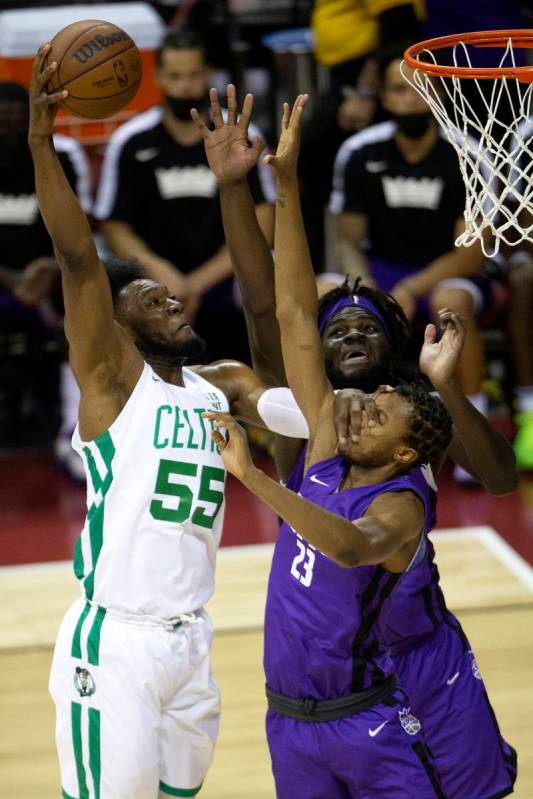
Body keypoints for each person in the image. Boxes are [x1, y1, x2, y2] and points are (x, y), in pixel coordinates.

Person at [195, 87, 517, 799]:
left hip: (417, 656)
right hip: (328, 674)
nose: (346, 335)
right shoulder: (310, 419)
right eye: (333, 326)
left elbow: (497, 479)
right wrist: (245, 187)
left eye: (364, 327)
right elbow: (269, 304)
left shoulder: (416, 416)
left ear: (394, 355)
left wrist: (447, 389)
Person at [28, 46, 287, 799]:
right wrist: (45, 144)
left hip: (191, 637)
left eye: (169, 296)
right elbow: (79, 258)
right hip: (116, 642)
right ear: (118, 325)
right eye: (147, 298)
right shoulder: (113, 384)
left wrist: (244, 190)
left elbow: (266, 310)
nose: (169, 298)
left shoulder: (223, 386)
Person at [330, 46, 498, 482]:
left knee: (451, 303)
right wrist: (366, 290)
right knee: (326, 296)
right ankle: (331, 423)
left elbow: (473, 250)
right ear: (384, 98)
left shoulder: (466, 153)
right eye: (397, 90)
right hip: (380, 268)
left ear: (436, 95)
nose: (408, 99)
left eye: (417, 90)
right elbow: (347, 240)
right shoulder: (359, 152)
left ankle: (474, 431)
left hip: (447, 269)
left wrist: (410, 290)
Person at [94, 27, 275, 363]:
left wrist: (195, 283)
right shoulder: (131, 141)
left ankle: (273, 378)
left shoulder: (239, 134)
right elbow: (115, 227)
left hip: (227, 272)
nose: (185, 85)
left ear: (208, 74)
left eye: (193, 75)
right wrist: (163, 274)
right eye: (175, 76)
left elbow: (265, 221)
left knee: (274, 285)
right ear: (159, 77)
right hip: (154, 274)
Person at [0, 80, 91, 448]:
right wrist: (13, 279)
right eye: (1, 123)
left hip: (51, 280)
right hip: (8, 281)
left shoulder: (62, 155)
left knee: (85, 300)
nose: (9, 130)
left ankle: (74, 428)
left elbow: (82, 229)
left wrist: (50, 269)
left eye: (17, 121)